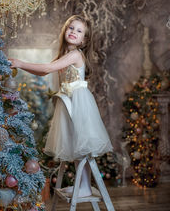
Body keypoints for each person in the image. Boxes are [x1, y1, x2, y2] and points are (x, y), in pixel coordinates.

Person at [9, 14, 113, 197]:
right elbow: (43, 73)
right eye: (71, 28)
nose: (73, 32)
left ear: (84, 40)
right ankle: (83, 185)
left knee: (81, 144)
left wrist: (19, 62)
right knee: (75, 142)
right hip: (68, 101)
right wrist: (21, 66)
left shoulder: (75, 54)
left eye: (79, 31)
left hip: (78, 101)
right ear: (65, 30)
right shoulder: (65, 54)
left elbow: (48, 69)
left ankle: (85, 186)